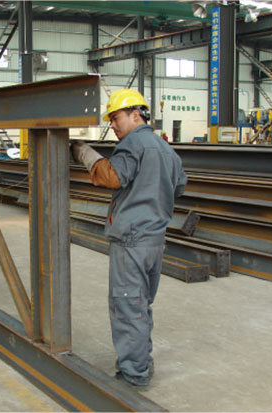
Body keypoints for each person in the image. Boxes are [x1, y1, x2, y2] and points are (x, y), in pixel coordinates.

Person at [72, 89, 187, 389]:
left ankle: (133, 375)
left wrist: (83, 152)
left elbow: (113, 176)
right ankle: (141, 362)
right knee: (140, 304)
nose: (112, 125)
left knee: (127, 307)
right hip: (155, 240)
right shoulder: (166, 149)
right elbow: (179, 186)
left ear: (136, 115)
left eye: (116, 118)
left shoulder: (133, 143)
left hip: (132, 241)